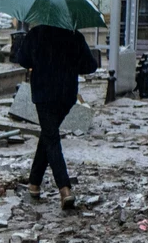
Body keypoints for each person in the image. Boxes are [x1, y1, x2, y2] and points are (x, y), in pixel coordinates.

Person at [14, 24, 98, 210]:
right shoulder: (74, 36)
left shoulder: (36, 34)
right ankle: (34, 183)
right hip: (66, 96)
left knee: (50, 138)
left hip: (44, 95)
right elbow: (90, 65)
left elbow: (22, 59)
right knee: (48, 135)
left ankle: (64, 189)